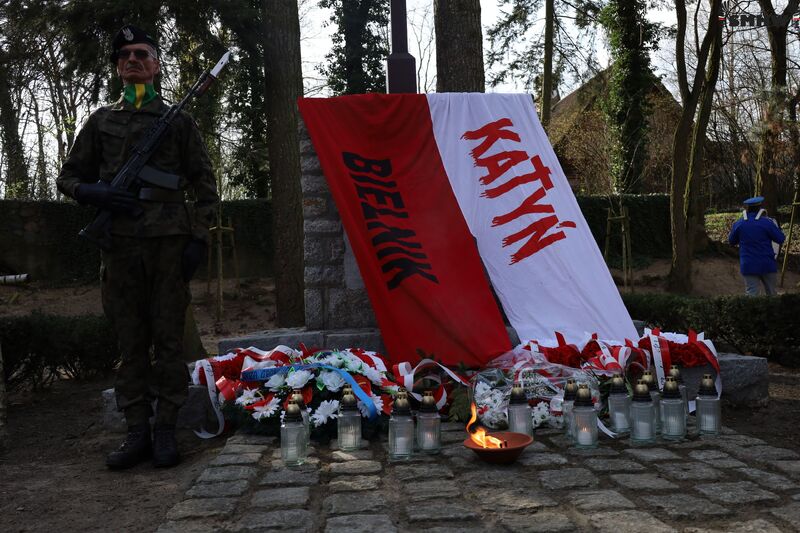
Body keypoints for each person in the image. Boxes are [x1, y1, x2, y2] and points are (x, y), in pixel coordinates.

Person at [56, 25, 219, 469]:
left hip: (169, 247)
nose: (133, 60)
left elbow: (206, 187)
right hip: (120, 245)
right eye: (124, 54)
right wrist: (95, 194)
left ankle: (166, 429)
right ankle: (136, 432)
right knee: (130, 341)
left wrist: (197, 240)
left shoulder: (179, 121)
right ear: (116, 67)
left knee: (168, 340)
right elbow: (68, 177)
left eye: (142, 54)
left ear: (156, 65)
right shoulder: (99, 121)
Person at [728, 196, 785, 296]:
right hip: (767, 263)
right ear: (759, 208)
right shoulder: (767, 223)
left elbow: (731, 241)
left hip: (748, 264)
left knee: (751, 295)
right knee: (772, 294)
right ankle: (772, 312)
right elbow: (780, 239)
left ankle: (752, 312)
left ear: (747, 208)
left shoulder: (739, 224)